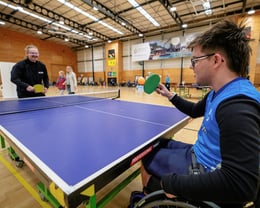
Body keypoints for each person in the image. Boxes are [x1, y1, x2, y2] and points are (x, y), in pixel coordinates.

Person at [140, 19, 260, 207]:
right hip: (199, 153)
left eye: (195, 61)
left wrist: (173, 184)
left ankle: (152, 196)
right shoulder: (219, 91)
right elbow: (195, 111)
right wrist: (170, 95)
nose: (191, 66)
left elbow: (243, 185)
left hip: (205, 168)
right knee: (156, 144)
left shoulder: (237, 106)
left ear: (216, 60)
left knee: (145, 157)